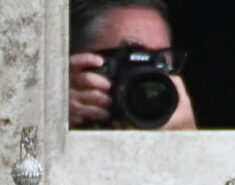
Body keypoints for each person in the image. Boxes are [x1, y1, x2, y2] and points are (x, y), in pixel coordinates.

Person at [68, 0, 198, 129]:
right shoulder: (63, 113)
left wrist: (187, 140)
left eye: (160, 60)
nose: (148, 76)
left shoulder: (178, 130)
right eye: (130, 60)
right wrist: (57, 117)